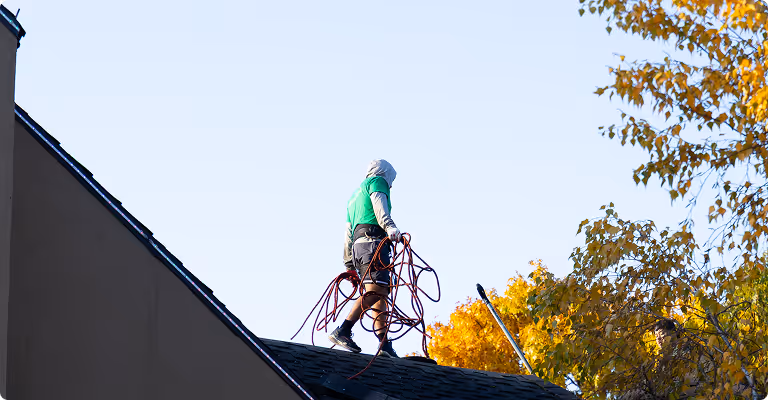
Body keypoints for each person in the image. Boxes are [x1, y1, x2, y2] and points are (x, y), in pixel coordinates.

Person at [329, 159, 401, 358]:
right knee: (377, 289)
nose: (391, 185)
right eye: (391, 181)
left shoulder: (354, 197)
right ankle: (343, 329)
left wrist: (349, 263)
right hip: (373, 242)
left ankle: (384, 345)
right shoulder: (377, 181)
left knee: (380, 293)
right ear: (385, 174)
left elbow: (347, 231)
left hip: (360, 246)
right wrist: (390, 227)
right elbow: (380, 207)